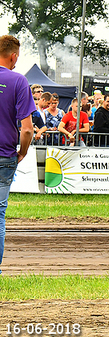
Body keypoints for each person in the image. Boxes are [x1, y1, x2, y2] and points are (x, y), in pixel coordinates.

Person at [0, 35, 35, 275]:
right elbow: (28, 128)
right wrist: (22, 152)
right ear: (13, 56)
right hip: (4, 155)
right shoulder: (18, 81)